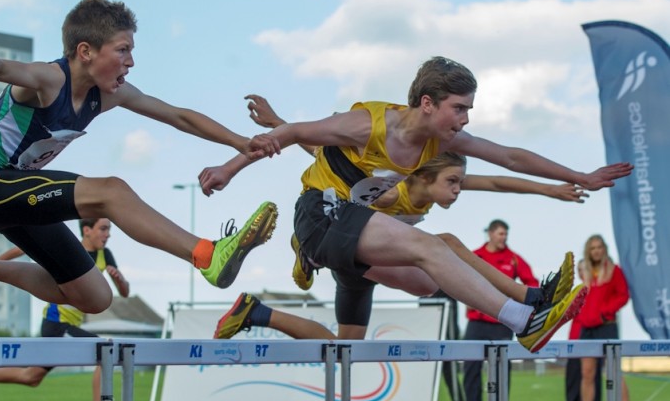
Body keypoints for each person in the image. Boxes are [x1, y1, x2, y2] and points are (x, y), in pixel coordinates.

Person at [203, 91, 600, 348]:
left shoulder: (430, 170)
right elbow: (321, 151)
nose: (459, 190)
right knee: (443, 244)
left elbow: (499, 176)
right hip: (347, 235)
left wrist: (554, 188)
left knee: (347, 347)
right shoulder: (398, 182)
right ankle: (528, 302)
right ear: (426, 174)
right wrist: (277, 127)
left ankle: (259, 312)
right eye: (453, 183)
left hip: (369, 258)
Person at [0, 0, 278, 316]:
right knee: (111, 192)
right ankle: (206, 254)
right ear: (86, 51)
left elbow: (178, 116)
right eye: (122, 49)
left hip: (18, 195)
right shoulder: (49, 80)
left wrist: (239, 142)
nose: (131, 62)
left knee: (94, 297)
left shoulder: (107, 95)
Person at [0, 218, 127, 401]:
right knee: (104, 351)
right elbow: (22, 247)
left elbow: (124, 292)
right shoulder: (70, 247)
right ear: (87, 230)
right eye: (103, 229)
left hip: (68, 327)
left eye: (109, 230)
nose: (107, 235)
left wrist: (119, 279)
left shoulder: (104, 255)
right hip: (57, 325)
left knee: (31, 376)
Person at [454, 219, 538, 401]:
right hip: (477, 322)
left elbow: (532, 283)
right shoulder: (475, 256)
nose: (504, 238)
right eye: (500, 234)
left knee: (501, 369)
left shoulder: (514, 259)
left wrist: (521, 305)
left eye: (505, 234)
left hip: (502, 323)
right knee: (471, 369)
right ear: (490, 234)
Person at [575, 234, 633, 401]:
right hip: (587, 328)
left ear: (604, 249)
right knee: (587, 373)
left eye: (599, 247)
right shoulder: (585, 273)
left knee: (614, 372)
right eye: (592, 248)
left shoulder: (614, 271)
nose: (596, 251)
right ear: (588, 252)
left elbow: (623, 296)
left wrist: (605, 313)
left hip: (606, 327)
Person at [564, 314, 602, 401]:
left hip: (595, 331)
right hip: (576, 336)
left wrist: (603, 316)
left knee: (591, 375)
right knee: (574, 377)